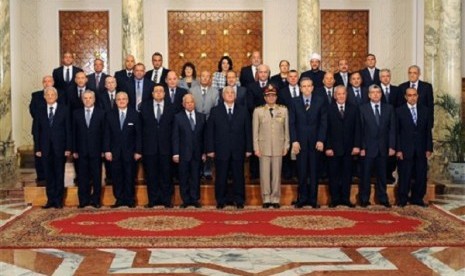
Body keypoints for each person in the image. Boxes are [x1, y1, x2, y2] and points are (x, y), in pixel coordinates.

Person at [207, 86, 252, 209]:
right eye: (227, 92)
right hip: (221, 149)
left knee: (239, 176)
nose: (230, 94)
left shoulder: (243, 110)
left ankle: (239, 200)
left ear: (236, 95)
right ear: (223, 95)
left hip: (239, 149)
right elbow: (210, 131)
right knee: (221, 176)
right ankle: (221, 200)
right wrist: (210, 149)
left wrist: (248, 148)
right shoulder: (215, 110)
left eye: (232, 92)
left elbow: (247, 130)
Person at [290, 78, 327, 208]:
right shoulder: (294, 102)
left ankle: (313, 199)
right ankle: (302, 198)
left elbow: (323, 122)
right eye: (303, 86)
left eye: (308, 86)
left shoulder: (320, 101)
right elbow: (292, 123)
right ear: (300, 88)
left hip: (315, 143)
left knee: (314, 172)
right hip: (300, 144)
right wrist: (294, 140)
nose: (306, 88)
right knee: (302, 172)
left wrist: (321, 140)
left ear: (312, 87)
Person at [33, 87, 71, 209]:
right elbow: (36, 131)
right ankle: (50, 200)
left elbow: (68, 130)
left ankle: (59, 200)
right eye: (47, 95)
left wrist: (68, 148)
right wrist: (38, 148)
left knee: (59, 174)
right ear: (44, 97)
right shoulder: (39, 110)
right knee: (48, 175)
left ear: (56, 96)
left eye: (52, 95)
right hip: (44, 148)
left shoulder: (64, 110)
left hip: (60, 148)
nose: (50, 97)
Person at [140, 84, 177, 208]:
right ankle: (153, 200)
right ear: (152, 94)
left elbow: (174, 130)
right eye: (156, 91)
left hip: (166, 148)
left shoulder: (171, 107)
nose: (159, 93)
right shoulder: (144, 107)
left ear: (165, 93)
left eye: (161, 91)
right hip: (149, 148)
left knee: (166, 175)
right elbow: (141, 129)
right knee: (151, 175)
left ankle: (166, 200)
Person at [253, 84, 289, 208]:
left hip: (279, 146)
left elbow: (286, 130)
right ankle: (266, 198)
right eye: (268, 96)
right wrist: (256, 147)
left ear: (276, 97)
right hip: (263, 147)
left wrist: (286, 145)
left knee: (276, 174)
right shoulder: (258, 111)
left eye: (273, 95)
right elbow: (255, 131)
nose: (271, 98)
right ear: (264, 97)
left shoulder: (283, 110)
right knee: (264, 174)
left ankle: (275, 198)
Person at [359, 84, 396, 208]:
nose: (375, 94)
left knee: (382, 175)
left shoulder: (389, 108)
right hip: (368, 148)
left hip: (383, 148)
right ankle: (364, 199)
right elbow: (361, 130)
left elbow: (392, 129)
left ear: (381, 94)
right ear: (369, 95)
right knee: (365, 176)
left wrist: (391, 146)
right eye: (373, 92)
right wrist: (362, 147)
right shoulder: (362, 109)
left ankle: (383, 198)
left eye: (378, 92)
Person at [104, 92, 142, 208]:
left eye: (124, 99)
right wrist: (107, 150)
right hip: (114, 153)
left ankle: (130, 199)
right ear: (115, 101)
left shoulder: (135, 114)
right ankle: (119, 199)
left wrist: (138, 151)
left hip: (130, 153)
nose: (121, 101)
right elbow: (106, 134)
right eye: (119, 99)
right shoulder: (110, 115)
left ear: (128, 100)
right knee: (117, 176)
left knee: (130, 176)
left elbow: (139, 135)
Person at [396, 87, 432, 207]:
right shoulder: (399, 111)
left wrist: (428, 148)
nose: (412, 97)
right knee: (405, 175)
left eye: (414, 95)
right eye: (410, 95)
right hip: (405, 149)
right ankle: (402, 199)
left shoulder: (425, 110)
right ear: (406, 97)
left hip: (421, 149)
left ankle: (417, 198)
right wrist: (399, 149)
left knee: (421, 175)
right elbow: (397, 132)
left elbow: (428, 131)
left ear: (417, 96)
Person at [325, 85, 360, 208]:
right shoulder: (328, 109)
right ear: (335, 96)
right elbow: (326, 130)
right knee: (333, 175)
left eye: (343, 94)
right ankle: (335, 199)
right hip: (333, 149)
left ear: (346, 95)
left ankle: (345, 198)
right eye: (338, 94)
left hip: (349, 149)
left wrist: (356, 145)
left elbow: (357, 129)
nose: (341, 96)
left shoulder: (354, 109)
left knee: (347, 175)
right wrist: (328, 147)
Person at [172, 94, 207, 208]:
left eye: (191, 102)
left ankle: (195, 199)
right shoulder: (178, 117)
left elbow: (203, 137)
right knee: (184, 177)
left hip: (197, 153)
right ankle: (186, 200)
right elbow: (175, 136)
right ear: (183, 104)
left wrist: (204, 152)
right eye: (187, 102)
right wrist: (176, 153)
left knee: (196, 177)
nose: (190, 104)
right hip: (183, 153)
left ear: (194, 103)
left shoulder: (201, 117)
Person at [72, 90, 105, 208]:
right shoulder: (76, 113)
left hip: (97, 151)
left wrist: (103, 150)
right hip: (81, 151)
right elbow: (73, 133)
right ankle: (83, 200)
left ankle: (95, 200)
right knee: (82, 177)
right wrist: (74, 150)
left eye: (90, 98)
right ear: (82, 99)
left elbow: (104, 133)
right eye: (85, 98)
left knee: (97, 176)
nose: (87, 100)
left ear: (94, 99)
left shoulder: (101, 113)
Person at [29, 75, 64, 184]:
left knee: (57, 163)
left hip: (57, 134)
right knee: (40, 157)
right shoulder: (36, 95)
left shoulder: (61, 94)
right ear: (42, 83)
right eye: (45, 81)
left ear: (53, 82)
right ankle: (41, 178)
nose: (47, 83)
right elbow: (33, 112)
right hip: (41, 130)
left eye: (49, 81)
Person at [190, 70, 218, 180]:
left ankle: (207, 171)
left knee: (209, 146)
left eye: (207, 76)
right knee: (197, 146)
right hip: (195, 122)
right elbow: (190, 104)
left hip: (210, 123)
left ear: (210, 79)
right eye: (203, 76)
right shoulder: (192, 90)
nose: (205, 78)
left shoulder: (215, 92)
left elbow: (215, 108)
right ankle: (198, 171)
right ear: (199, 78)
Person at [379, 68, 402, 184]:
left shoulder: (397, 90)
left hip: (393, 124)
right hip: (379, 126)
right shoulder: (375, 90)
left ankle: (390, 175)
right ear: (379, 78)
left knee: (392, 151)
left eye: (387, 76)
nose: (385, 78)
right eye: (383, 76)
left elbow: (400, 107)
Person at [98, 76, 118, 184]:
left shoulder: (121, 96)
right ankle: (109, 177)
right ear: (105, 85)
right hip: (105, 127)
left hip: (118, 128)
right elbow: (100, 113)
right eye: (108, 83)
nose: (110, 84)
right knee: (107, 153)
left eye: (112, 82)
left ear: (116, 84)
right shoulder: (100, 97)